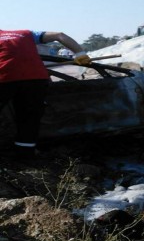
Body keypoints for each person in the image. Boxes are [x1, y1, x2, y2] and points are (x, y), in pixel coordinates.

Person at [0, 30, 91, 158]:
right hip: (36, 78)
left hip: (4, 76)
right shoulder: (25, 33)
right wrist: (81, 54)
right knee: (29, 118)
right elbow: (60, 35)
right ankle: (25, 153)